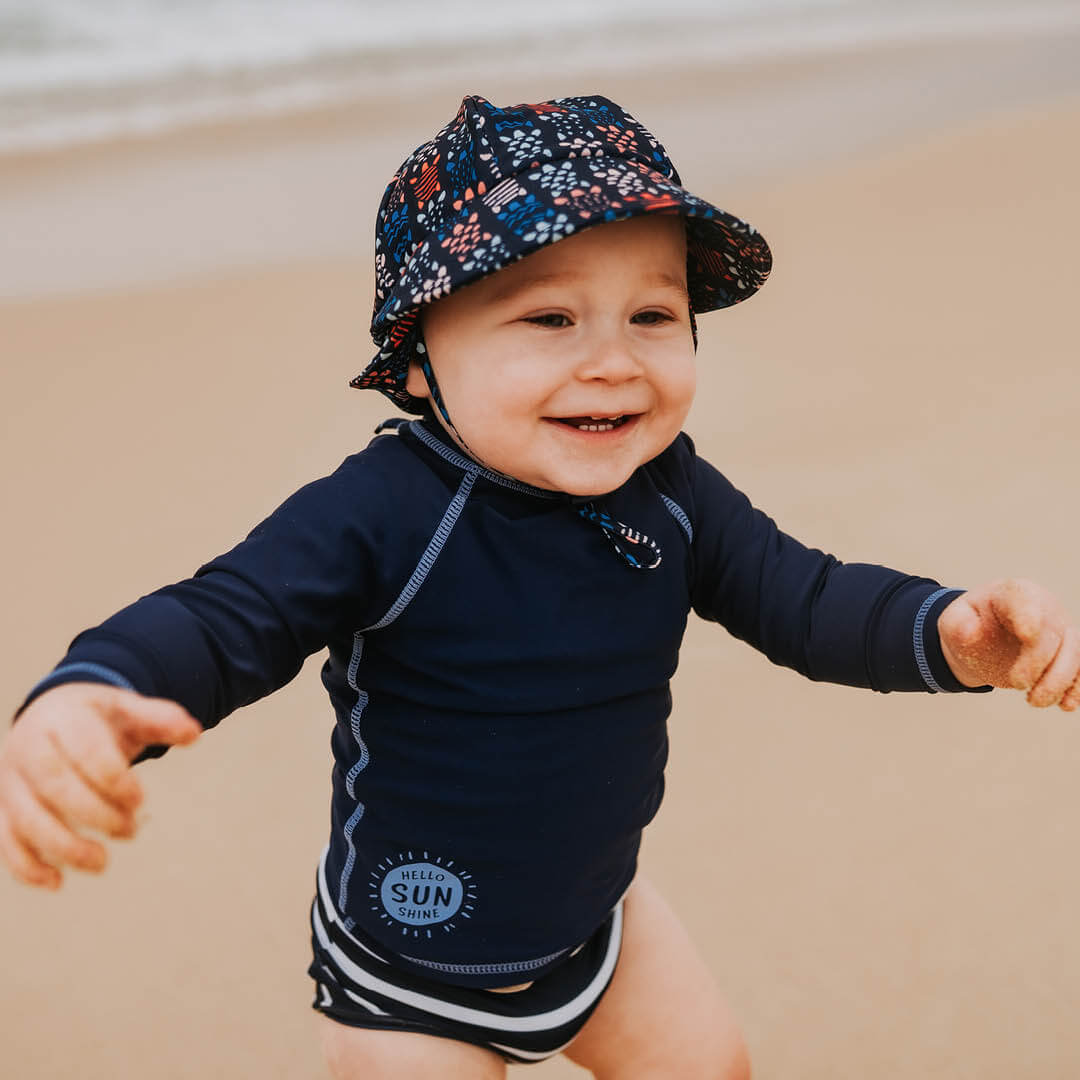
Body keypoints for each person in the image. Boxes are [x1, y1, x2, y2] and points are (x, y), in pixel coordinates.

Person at [1, 94, 1077, 1080]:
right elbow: (226, 616)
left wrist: (959, 633)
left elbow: (809, 600)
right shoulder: (380, 511)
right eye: (549, 320)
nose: (611, 360)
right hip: (407, 977)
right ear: (418, 358)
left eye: (651, 317)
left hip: (601, 922)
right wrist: (91, 693)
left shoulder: (674, 492)